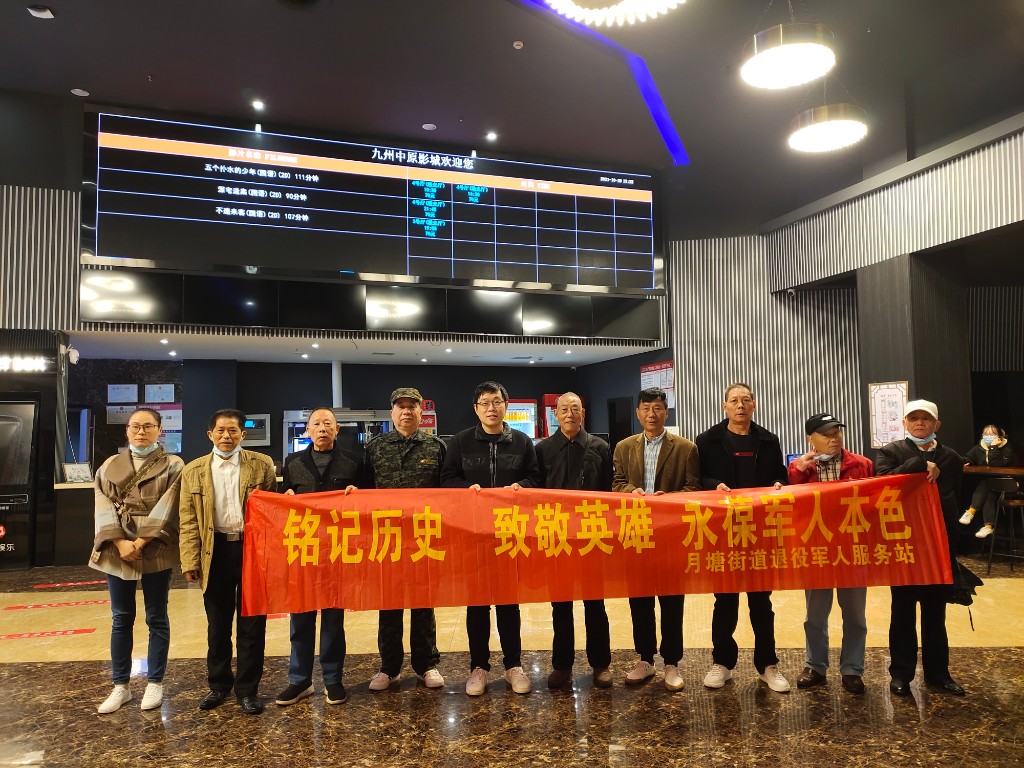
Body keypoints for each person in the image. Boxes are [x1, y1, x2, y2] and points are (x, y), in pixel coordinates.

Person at [440, 380, 541, 696]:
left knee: (509, 603)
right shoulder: (460, 442)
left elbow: (536, 478)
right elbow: (447, 478)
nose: (491, 408)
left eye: (497, 402)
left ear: (506, 406)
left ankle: (514, 665)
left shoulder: (523, 442)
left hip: (510, 533)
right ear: (476, 409)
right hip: (473, 534)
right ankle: (479, 667)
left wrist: (521, 487)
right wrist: (465, 490)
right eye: (485, 403)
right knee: (477, 604)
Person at [179, 408, 278, 715]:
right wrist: (189, 560)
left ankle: (247, 690)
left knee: (252, 626)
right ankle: (219, 685)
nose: (226, 436)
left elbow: (273, 513)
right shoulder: (193, 470)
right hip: (215, 552)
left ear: (243, 434)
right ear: (210, 434)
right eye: (220, 430)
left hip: (252, 551)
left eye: (233, 430)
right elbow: (187, 519)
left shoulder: (262, 465)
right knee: (218, 625)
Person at [694, 383, 791, 693]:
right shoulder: (707, 440)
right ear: (725, 406)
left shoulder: (768, 440)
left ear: (754, 405)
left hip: (759, 531)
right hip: (723, 530)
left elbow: (780, 474)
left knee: (761, 602)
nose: (740, 405)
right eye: (734, 400)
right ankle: (722, 663)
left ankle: (768, 665)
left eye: (745, 400)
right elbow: (697, 479)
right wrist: (714, 485)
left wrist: (779, 483)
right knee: (725, 600)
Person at [90, 408, 183, 714]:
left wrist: (141, 542)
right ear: (127, 430)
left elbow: (170, 506)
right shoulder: (109, 465)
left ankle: (155, 681)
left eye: (148, 426)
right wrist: (120, 542)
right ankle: (121, 685)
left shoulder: (174, 464)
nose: (141, 432)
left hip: (155, 546)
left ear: (160, 430)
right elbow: (102, 504)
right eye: (135, 427)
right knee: (121, 617)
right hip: (117, 547)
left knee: (157, 616)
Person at [611, 386, 699, 692]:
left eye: (658, 408)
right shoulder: (623, 447)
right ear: (638, 413)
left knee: (672, 600)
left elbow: (694, 488)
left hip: (671, 534)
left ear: (666, 412)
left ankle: (672, 662)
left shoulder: (686, 448)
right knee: (640, 600)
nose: (652, 414)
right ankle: (645, 659)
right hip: (636, 533)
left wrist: (670, 498)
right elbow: (616, 483)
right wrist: (631, 491)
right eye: (646, 408)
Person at [275, 407, 364, 707]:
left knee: (333, 620)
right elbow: (282, 501)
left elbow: (371, 503)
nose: (322, 428)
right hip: (304, 549)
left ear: (337, 429)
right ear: (308, 430)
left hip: (338, 551)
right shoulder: (293, 462)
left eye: (328, 423)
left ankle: (332, 679)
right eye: (316, 424)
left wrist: (358, 494)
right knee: (300, 618)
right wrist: (285, 497)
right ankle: (299, 680)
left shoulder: (354, 462)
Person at [877, 399, 966, 697]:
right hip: (904, 546)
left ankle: (938, 674)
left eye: (926, 419)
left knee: (935, 614)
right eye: (913, 418)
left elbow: (958, 498)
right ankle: (901, 675)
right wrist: (918, 465)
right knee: (902, 612)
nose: (919, 423)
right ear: (904, 423)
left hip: (937, 548)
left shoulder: (952, 458)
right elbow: (882, 484)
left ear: (936, 424)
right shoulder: (891, 452)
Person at [365, 388, 447, 691]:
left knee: (423, 603)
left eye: (412, 406)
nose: (406, 411)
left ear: (421, 412)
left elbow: (448, 493)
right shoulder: (375, 447)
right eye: (400, 406)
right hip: (387, 537)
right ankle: (389, 667)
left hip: (424, 537)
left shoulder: (436, 447)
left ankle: (426, 664)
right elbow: (363, 492)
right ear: (392, 413)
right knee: (389, 603)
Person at [787, 412, 875, 695]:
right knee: (815, 614)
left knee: (855, 615)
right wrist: (798, 471)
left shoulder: (862, 464)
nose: (834, 438)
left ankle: (852, 669)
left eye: (837, 432)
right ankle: (815, 666)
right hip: (816, 551)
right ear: (810, 439)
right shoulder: (799, 468)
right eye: (826, 434)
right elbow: (791, 507)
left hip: (852, 550)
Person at [536, 392, 614, 690]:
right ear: (555, 415)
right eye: (564, 410)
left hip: (592, 537)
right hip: (557, 538)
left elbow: (610, 492)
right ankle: (562, 665)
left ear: (583, 413)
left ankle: (600, 664)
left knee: (595, 605)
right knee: (560, 607)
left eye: (575, 409)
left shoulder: (600, 447)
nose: (569, 414)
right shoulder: (543, 450)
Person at [960, 425, 1016, 539]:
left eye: (992, 434)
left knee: (987, 482)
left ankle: (971, 511)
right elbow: (968, 457)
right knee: (989, 491)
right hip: (993, 485)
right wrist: (967, 461)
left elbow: (995, 464)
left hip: (1009, 483)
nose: (988, 436)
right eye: (986, 434)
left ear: (999, 437)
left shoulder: (1007, 448)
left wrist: (994, 447)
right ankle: (988, 527)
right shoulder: (980, 447)